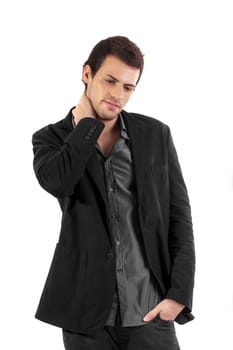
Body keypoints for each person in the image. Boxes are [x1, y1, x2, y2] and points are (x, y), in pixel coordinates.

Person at [32, 35, 195, 350]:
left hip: (150, 311)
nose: (118, 95)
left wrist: (179, 294)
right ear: (87, 73)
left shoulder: (155, 135)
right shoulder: (50, 138)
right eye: (110, 81)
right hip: (86, 319)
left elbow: (179, 217)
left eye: (128, 87)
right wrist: (85, 129)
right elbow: (58, 183)